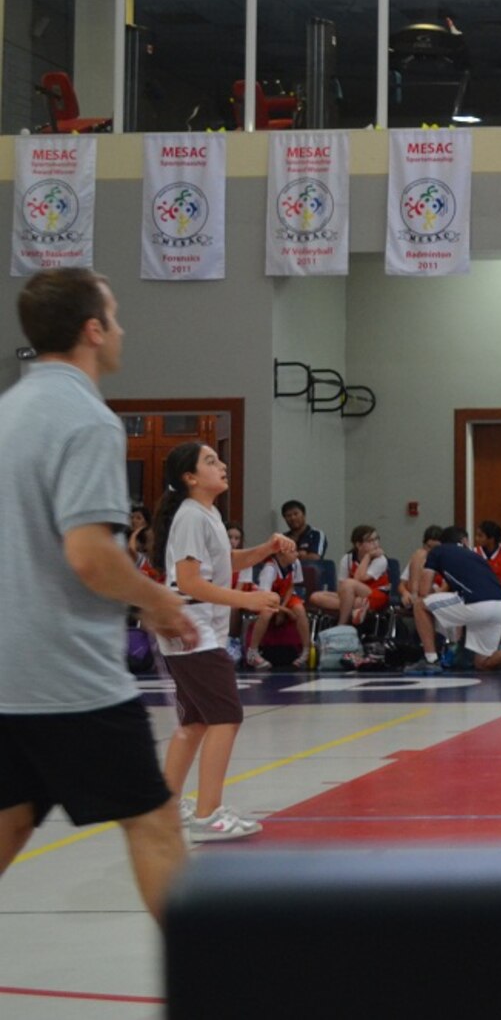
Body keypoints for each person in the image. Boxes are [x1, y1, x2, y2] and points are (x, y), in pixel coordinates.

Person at [0, 269, 199, 921]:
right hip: (69, 675)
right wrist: (157, 600)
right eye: (114, 316)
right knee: (155, 823)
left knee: (11, 821)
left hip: (7, 670)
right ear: (92, 330)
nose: (122, 329)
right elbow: (89, 555)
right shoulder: (87, 420)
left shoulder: (9, 411)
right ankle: (205, 972)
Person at [151, 441, 291, 842]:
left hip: (196, 631)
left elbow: (223, 563)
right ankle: (207, 814)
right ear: (190, 477)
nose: (222, 465)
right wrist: (247, 600)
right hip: (193, 632)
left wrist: (265, 550)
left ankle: (165, 809)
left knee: (195, 722)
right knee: (225, 717)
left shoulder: (206, 513)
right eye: (210, 461)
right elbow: (190, 582)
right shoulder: (191, 517)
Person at [411, 527, 501, 673]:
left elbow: (424, 591)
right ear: (463, 541)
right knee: (482, 662)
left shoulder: (438, 551)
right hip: (500, 605)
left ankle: (431, 660)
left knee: (420, 605)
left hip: (476, 603)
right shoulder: (476, 556)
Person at [241, 544, 311, 672]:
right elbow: (265, 599)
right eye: (292, 551)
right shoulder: (269, 569)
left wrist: (282, 609)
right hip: (265, 598)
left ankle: (306, 651)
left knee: (300, 610)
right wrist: (285, 611)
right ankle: (253, 652)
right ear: (280, 554)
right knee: (267, 613)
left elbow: (291, 587)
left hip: (284, 597)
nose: (297, 554)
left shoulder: (295, 563)